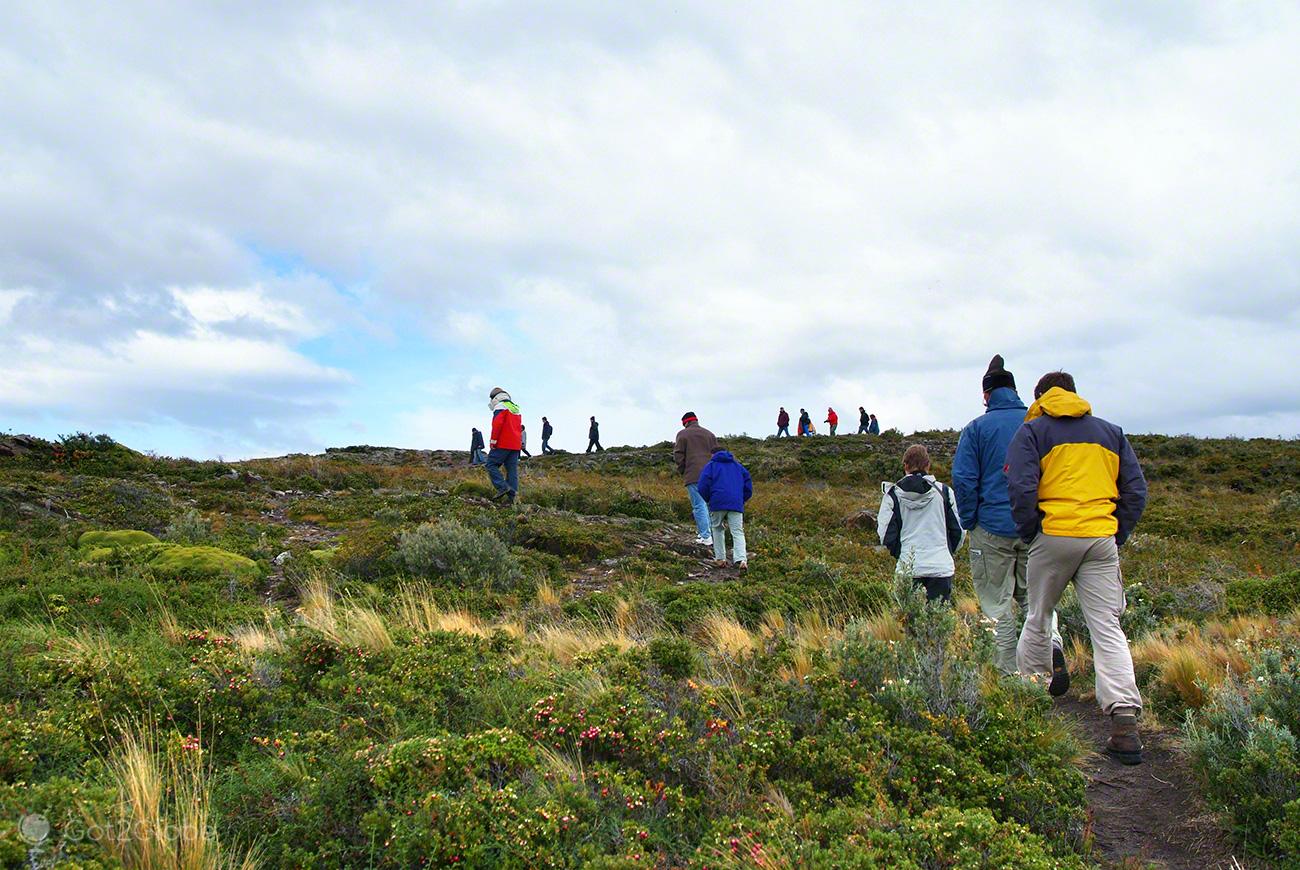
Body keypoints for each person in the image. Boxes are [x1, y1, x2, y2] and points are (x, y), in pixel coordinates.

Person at [1007, 371, 1148, 765]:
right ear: (1074, 394)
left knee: (1037, 617)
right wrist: (1114, 533)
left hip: (1053, 535)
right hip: (1100, 538)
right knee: (1107, 626)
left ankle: (1032, 705)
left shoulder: (1032, 433)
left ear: (1040, 397)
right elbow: (1136, 491)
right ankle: (1125, 724)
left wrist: (1033, 531)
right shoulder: (1111, 433)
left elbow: (1020, 486)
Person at [953, 355, 1064, 682]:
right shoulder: (1037, 425)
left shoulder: (976, 429)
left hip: (991, 527)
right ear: (1015, 390)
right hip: (1036, 527)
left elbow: (963, 479)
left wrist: (971, 519)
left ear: (987, 395)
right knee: (1036, 600)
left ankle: (1008, 679)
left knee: (997, 606)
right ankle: (1047, 658)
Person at [877, 444, 964, 602]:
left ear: (905, 466)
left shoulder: (892, 495)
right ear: (928, 465)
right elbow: (958, 530)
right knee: (939, 623)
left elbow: (885, 535)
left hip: (908, 569)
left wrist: (902, 554)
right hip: (940, 568)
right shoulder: (945, 492)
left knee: (908, 623)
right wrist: (947, 552)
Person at [696, 448, 753, 569]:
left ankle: (721, 559)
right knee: (737, 531)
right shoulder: (738, 466)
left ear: (713, 454)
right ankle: (741, 559)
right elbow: (748, 485)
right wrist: (741, 499)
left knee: (717, 529)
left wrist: (709, 499)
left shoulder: (711, 466)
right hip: (736, 503)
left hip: (717, 502)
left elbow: (702, 485)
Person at [673, 411, 719, 546]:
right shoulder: (710, 434)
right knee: (711, 506)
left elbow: (678, 455)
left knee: (699, 506)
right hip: (712, 475)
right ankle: (713, 535)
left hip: (693, 475)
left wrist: (683, 470)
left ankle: (706, 536)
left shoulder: (682, 434)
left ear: (685, 422)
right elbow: (717, 454)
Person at [484, 387, 522, 504]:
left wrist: (493, 441)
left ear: (494, 397)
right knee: (512, 470)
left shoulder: (500, 406)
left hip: (503, 442)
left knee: (491, 464)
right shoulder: (515, 408)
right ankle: (513, 497)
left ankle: (502, 487)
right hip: (515, 444)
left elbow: (497, 424)